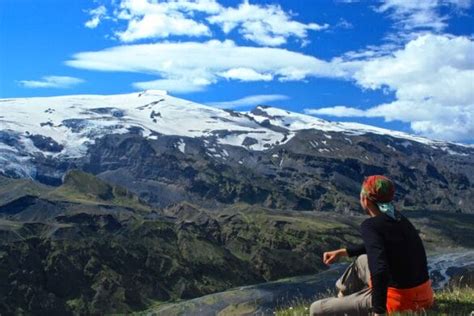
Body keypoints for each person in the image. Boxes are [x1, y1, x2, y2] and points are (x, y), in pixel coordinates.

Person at [310, 175, 434, 315]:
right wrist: (343, 252)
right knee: (361, 260)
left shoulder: (370, 226)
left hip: (399, 302)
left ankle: (345, 306)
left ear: (365, 200)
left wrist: (378, 311)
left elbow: (379, 270)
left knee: (316, 309)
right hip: (425, 297)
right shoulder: (399, 218)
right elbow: (378, 246)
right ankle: (342, 301)